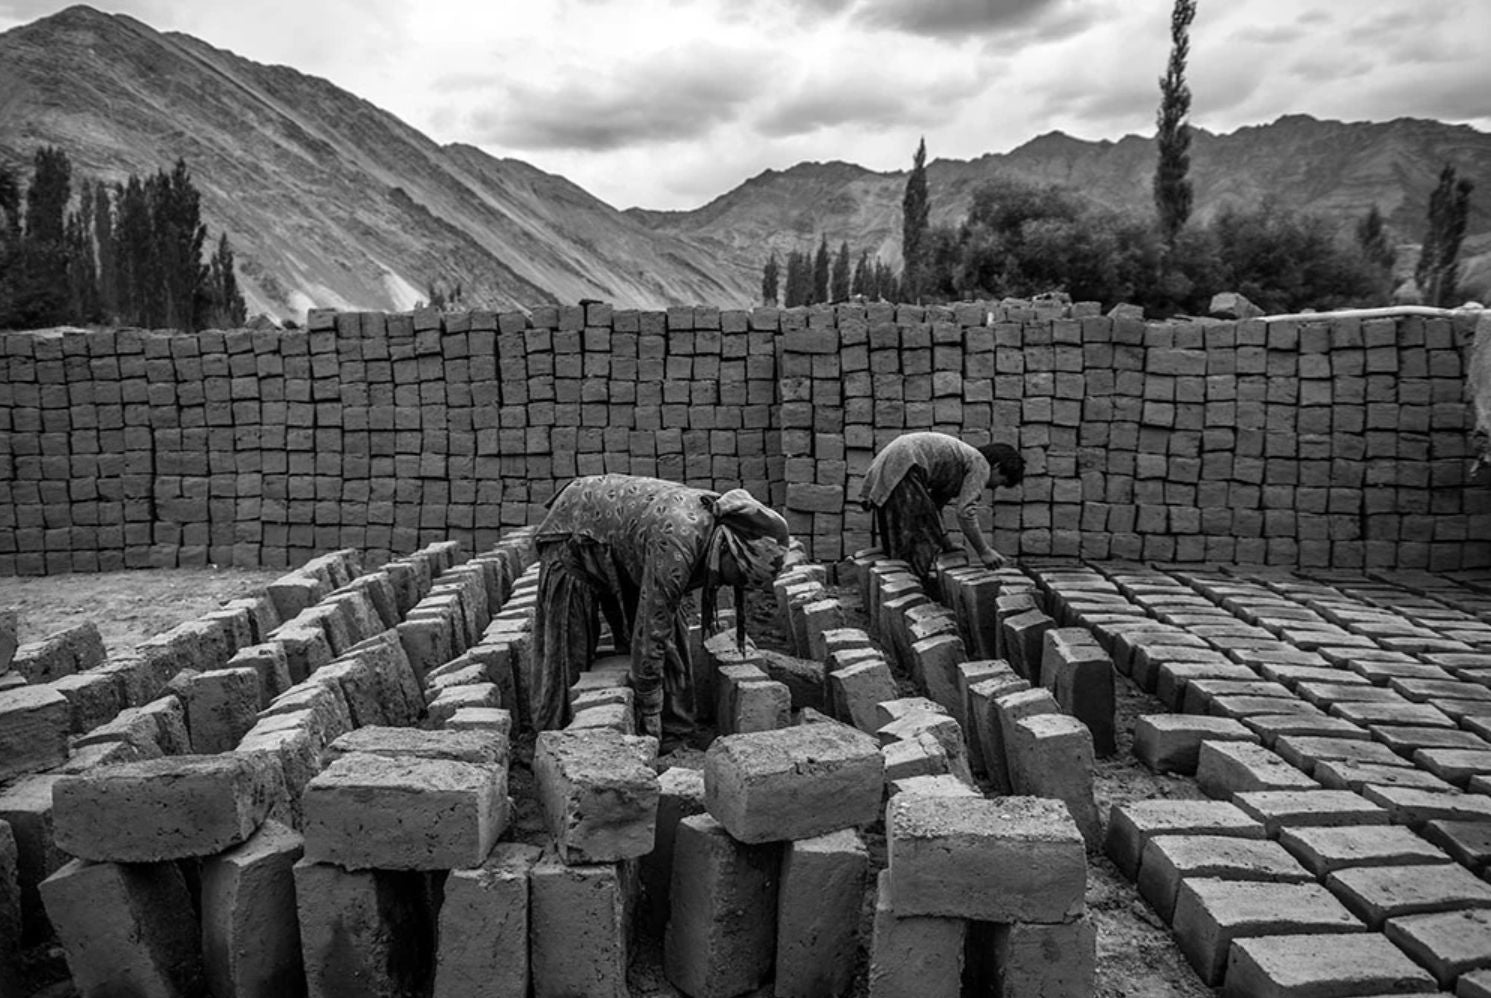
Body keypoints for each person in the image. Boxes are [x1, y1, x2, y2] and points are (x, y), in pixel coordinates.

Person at [529, 473, 790, 740]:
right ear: (729, 548)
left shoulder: (716, 528)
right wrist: (649, 703)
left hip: (628, 542)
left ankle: (676, 730)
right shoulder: (679, 540)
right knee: (569, 641)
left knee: (668, 639)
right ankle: (556, 737)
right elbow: (652, 626)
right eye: (737, 576)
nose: (729, 584)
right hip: (577, 526)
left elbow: (659, 620)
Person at [859, 432, 1024, 584]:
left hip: (892, 462)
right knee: (921, 537)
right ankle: (911, 586)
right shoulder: (980, 464)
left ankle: (898, 588)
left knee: (899, 540)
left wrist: (947, 544)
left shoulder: (957, 465)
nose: (994, 488)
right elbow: (965, 512)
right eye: (1001, 481)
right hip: (905, 463)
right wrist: (984, 551)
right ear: (996, 466)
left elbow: (934, 508)